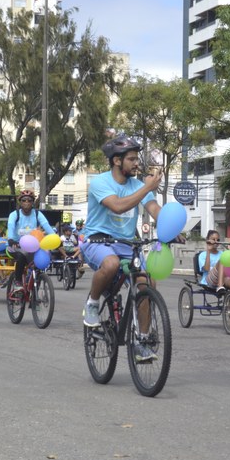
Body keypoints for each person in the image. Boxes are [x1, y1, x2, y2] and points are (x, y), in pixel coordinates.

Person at [80, 134, 184, 363]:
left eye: (137, 159)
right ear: (117, 161)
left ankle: (142, 340)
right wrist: (146, 188)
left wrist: (170, 228)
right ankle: (93, 303)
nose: (137, 163)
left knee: (146, 282)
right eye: (132, 159)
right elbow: (117, 206)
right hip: (98, 240)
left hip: (126, 243)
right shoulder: (100, 182)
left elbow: (155, 209)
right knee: (111, 264)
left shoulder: (139, 185)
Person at [6, 190, 55, 293]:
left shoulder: (37, 214)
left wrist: (56, 239)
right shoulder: (14, 215)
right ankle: (18, 282)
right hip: (15, 245)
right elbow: (10, 227)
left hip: (34, 247)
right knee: (20, 257)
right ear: (20, 202)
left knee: (39, 262)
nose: (27, 202)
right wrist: (11, 239)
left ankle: (34, 290)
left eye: (29, 200)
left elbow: (47, 226)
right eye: (24, 200)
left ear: (33, 202)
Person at [198, 230, 230, 296]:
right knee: (222, 259)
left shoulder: (222, 253)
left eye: (218, 240)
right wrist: (208, 251)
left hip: (224, 278)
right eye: (213, 239)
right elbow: (206, 269)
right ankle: (220, 286)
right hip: (209, 281)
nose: (216, 242)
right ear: (208, 240)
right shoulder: (203, 255)